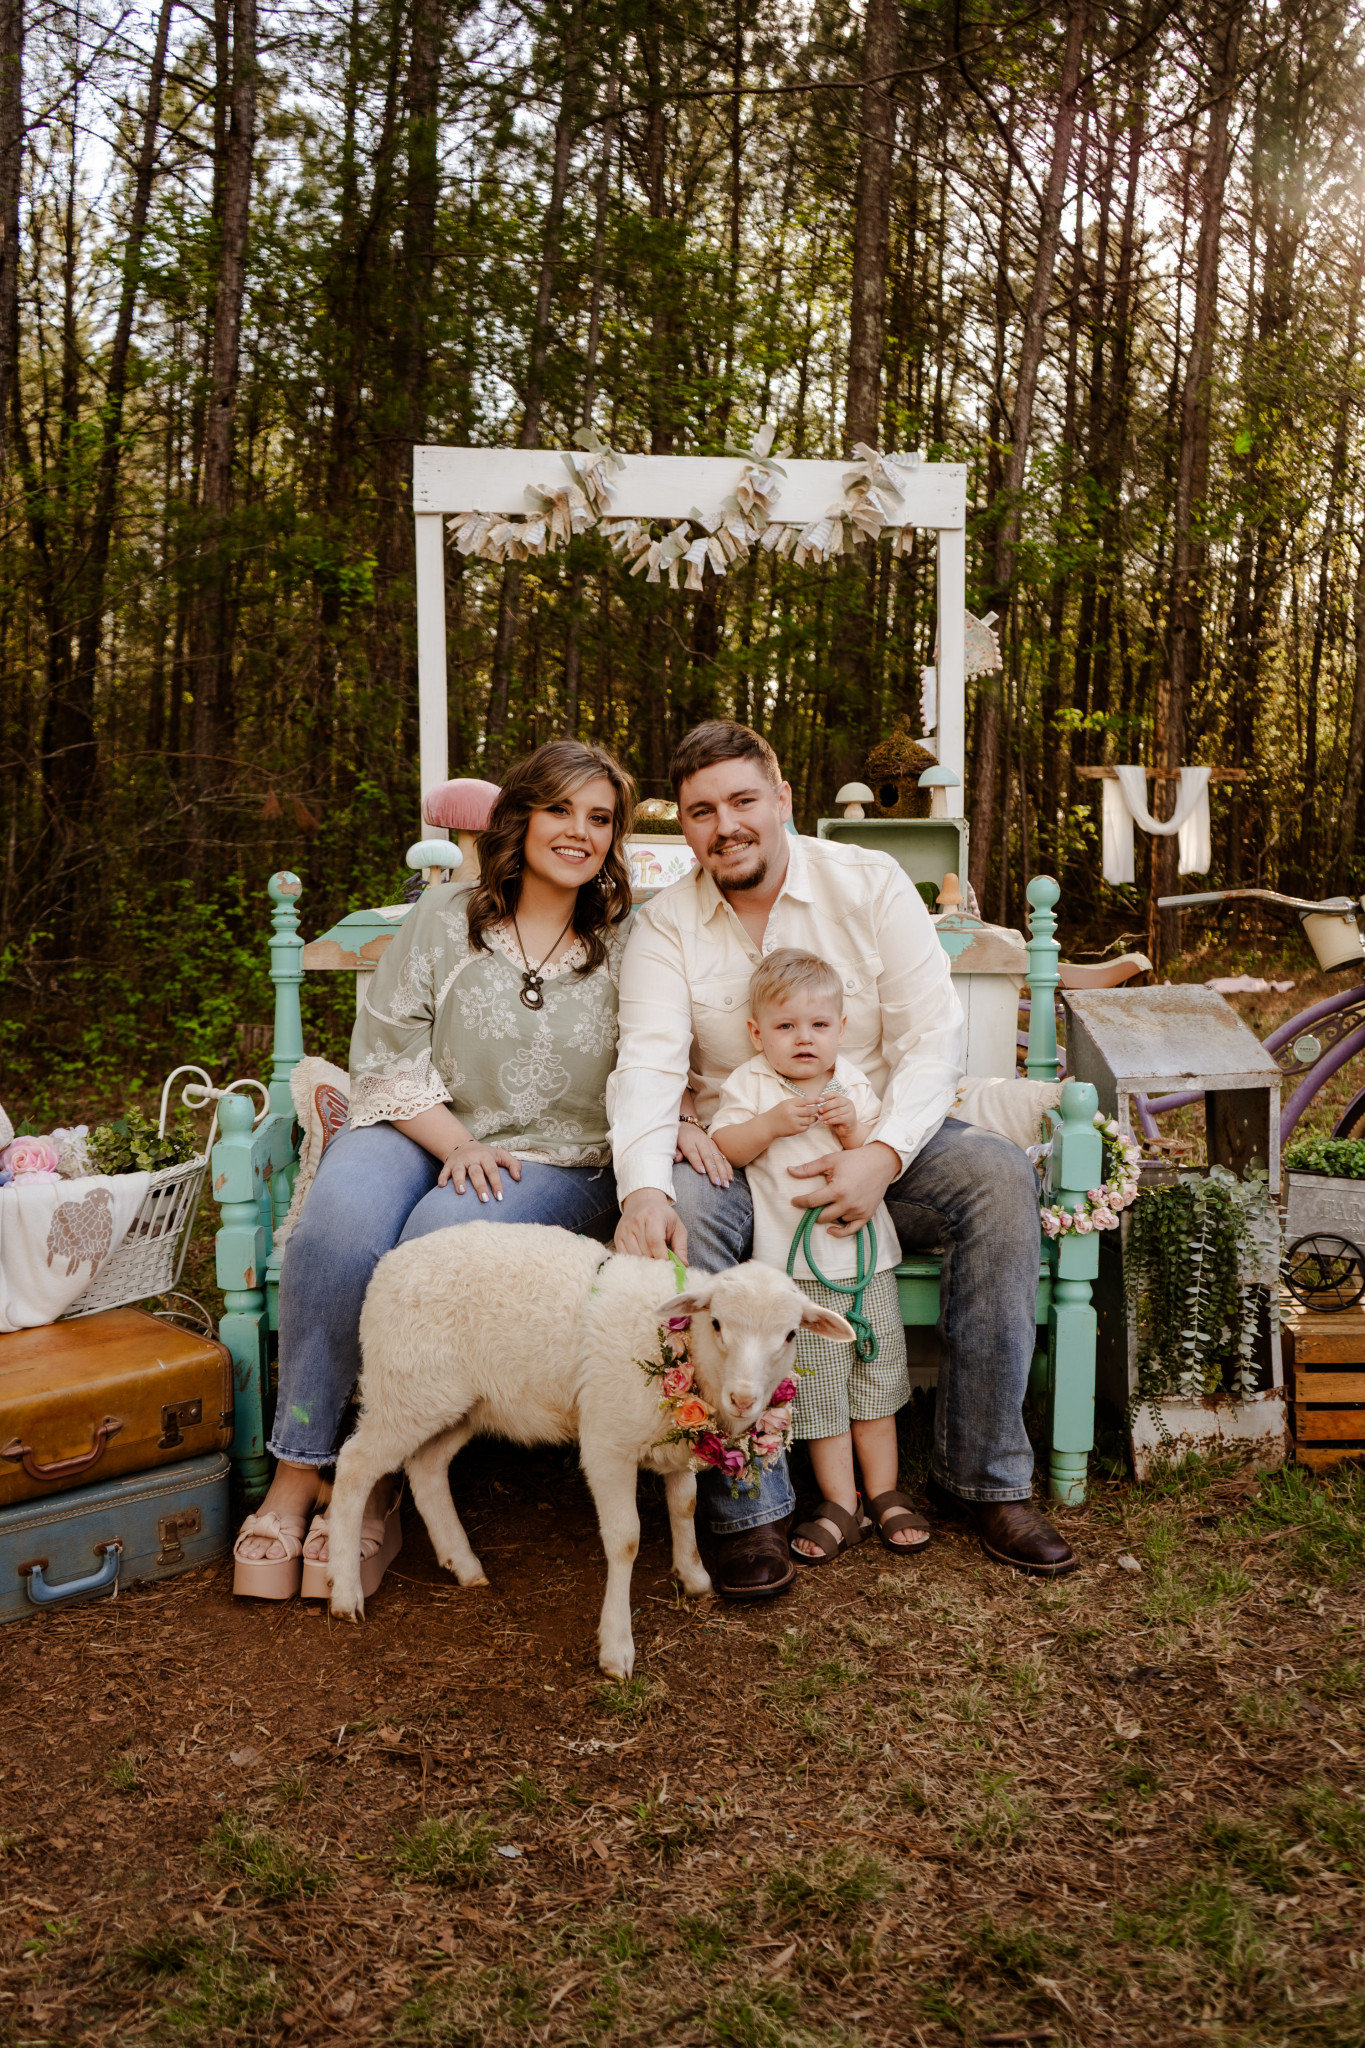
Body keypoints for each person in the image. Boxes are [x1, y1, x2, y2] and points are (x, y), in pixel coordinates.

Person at [232, 738, 720, 1598]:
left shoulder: (631, 940)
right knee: (337, 1231)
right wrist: (455, 1144)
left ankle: (375, 1473)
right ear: (519, 817)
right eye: (559, 809)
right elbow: (386, 1051)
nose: (578, 832)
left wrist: (682, 1118)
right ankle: (298, 1471)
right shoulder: (444, 916)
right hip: (419, 1122)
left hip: (558, 1157)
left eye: (599, 818)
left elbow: (660, 1052)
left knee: (440, 1238)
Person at [609, 718, 1078, 1600]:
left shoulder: (867, 882)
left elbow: (931, 1040)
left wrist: (884, 1155)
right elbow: (647, 1062)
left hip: (877, 1133)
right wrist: (642, 1186)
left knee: (996, 1176)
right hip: (746, 1160)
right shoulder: (663, 926)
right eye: (703, 812)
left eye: (743, 801)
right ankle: (749, 1507)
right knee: (684, 1209)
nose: (726, 826)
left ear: (781, 799)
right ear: (687, 827)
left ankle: (982, 1478)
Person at [710, 950, 925, 1565]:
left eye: (819, 1025)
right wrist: (771, 1124)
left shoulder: (849, 1082)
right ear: (758, 1034)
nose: (804, 1038)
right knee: (822, 1394)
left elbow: (879, 1152)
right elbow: (727, 1145)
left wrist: (853, 1130)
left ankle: (884, 1492)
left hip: (866, 1264)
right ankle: (840, 1502)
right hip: (795, 1274)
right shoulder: (751, 1083)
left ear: (841, 1028)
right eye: (786, 1026)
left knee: (875, 1377)